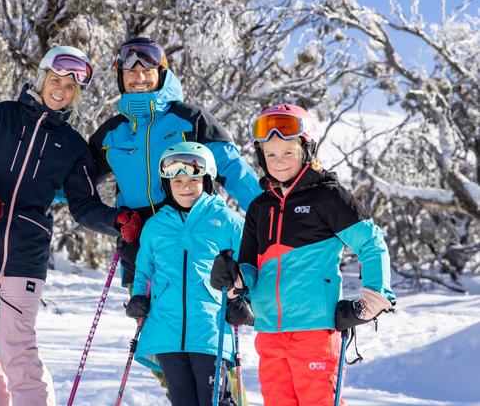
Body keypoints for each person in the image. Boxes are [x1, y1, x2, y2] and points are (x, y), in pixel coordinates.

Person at [0, 46, 142, 406]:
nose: (62, 90)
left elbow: (83, 204)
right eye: (57, 80)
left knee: (15, 345)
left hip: (26, 254)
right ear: (42, 78)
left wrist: (116, 221)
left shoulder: (71, 146)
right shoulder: (0, 117)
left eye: (71, 87)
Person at [211, 103, 396, 406]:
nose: (278, 161)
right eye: (270, 154)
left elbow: (372, 243)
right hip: (269, 332)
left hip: (315, 331)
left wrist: (372, 300)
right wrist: (235, 278)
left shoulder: (328, 196)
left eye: (287, 152)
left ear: (306, 149)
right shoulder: (261, 207)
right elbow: (250, 266)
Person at [89, 37, 261, 290]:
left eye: (147, 70)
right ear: (121, 77)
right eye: (131, 71)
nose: (139, 77)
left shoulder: (191, 120)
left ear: (161, 73)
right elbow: (74, 183)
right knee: (150, 324)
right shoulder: (111, 133)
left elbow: (233, 170)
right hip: (138, 244)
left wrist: (269, 214)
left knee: (195, 315)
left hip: (192, 238)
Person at [125, 142, 243, 406]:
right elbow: (145, 270)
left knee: (215, 400)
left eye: (193, 179)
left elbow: (248, 266)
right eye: (177, 181)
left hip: (209, 328)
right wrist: (138, 298)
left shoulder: (227, 220)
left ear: (207, 180)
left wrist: (240, 300)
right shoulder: (156, 226)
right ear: (167, 185)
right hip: (166, 329)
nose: (185, 186)